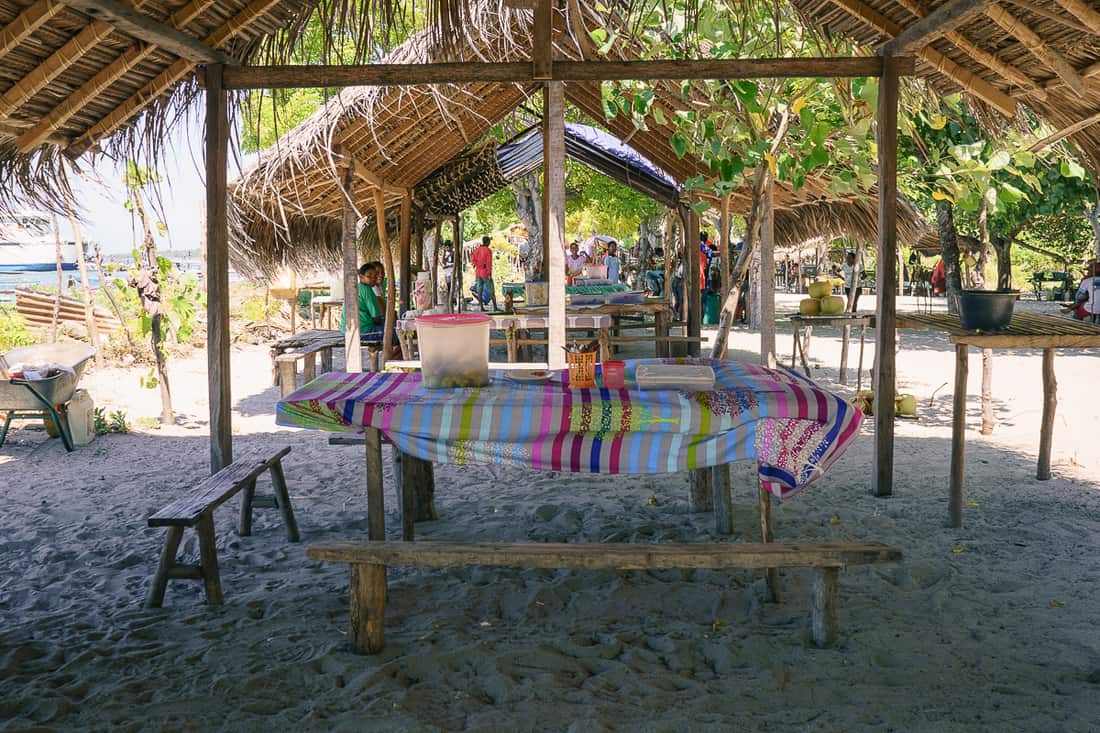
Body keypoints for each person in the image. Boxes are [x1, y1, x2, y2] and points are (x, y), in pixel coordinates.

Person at [471, 235, 497, 312]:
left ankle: (481, 307)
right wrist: (489, 273)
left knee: (479, 290)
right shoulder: (488, 250)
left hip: (478, 272)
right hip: (485, 272)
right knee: (491, 290)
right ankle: (495, 307)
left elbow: (473, 259)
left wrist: (478, 264)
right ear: (487, 242)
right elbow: (489, 263)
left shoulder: (477, 250)